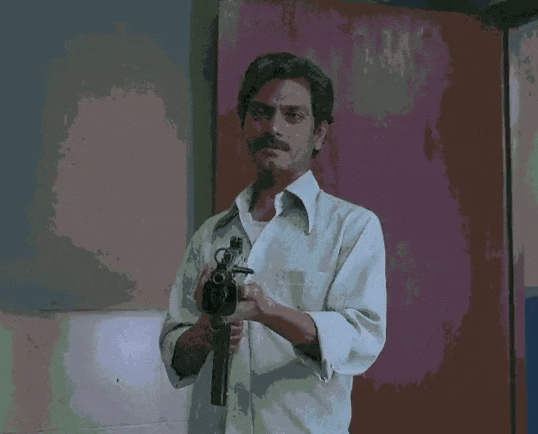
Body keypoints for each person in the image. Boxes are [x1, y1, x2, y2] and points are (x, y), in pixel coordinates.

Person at [159, 52, 387, 434]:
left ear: (319, 133)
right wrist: (207, 330)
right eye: (261, 113)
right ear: (245, 125)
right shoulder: (212, 234)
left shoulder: (352, 228)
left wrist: (266, 311)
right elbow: (175, 358)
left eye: (293, 115)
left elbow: (361, 339)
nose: (274, 128)